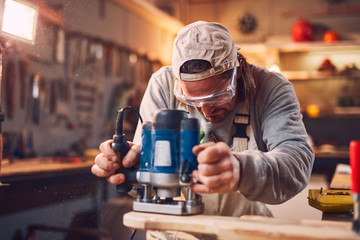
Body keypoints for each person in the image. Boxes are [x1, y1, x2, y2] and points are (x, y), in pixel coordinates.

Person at [91, 21, 314, 239]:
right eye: (192, 101)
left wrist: (243, 170)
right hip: (175, 230)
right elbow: (143, 176)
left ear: (238, 70)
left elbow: (297, 162)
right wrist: (127, 165)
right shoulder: (163, 84)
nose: (205, 112)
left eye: (217, 97)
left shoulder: (271, 88)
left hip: (244, 229)